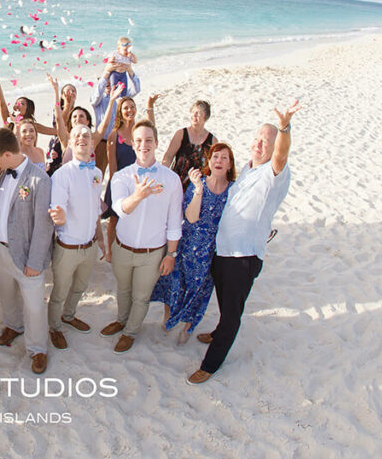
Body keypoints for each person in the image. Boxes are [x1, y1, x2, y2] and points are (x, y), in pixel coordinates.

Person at [188, 101, 300, 385]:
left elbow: (281, 154)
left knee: (232, 314)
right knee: (224, 302)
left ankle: (210, 364)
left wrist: (284, 128)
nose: (259, 144)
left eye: (266, 141)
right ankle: (217, 333)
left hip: (244, 257)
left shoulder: (274, 173)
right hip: (223, 251)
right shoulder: (248, 169)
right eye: (257, 139)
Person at [99, 120, 182, 353]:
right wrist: (138, 196)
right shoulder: (122, 177)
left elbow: (174, 222)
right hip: (122, 248)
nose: (143, 145)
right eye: (139, 141)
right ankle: (121, 320)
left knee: (141, 297)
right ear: (132, 144)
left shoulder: (171, 179)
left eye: (148, 140)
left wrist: (171, 254)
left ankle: (130, 332)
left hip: (152, 254)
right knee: (123, 290)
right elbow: (120, 209)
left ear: (156, 143)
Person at [0, 128, 53, 374]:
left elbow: (44, 225)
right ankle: (14, 325)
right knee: (6, 294)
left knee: (34, 305)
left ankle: (38, 348)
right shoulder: (1, 174)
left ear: (7, 155)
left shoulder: (40, 180)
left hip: (26, 254)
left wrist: (35, 261)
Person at [151, 143, 235, 344]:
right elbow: (190, 217)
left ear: (230, 165)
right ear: (209, 161)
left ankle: (188, 326)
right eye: (215, 157)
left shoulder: (234, 190)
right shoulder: (199, 184)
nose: (219, 161)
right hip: (188, 244)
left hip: (213, 250)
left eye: (224, 158)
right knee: (175, 283)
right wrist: (198, 190)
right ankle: (168, 316)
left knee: (200, 290)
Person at [46, 125, 108, 350]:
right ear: (71, 143)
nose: (82, 138)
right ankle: (54, 327)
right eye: (77, 136)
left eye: (87, 136)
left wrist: (100, 238)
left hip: (89, 246)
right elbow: (57, 208)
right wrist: (59, 216)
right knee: (59, 291)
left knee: (80, 286)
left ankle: (69, 315)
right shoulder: (62, 174)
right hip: (68, 247)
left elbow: (95, 209)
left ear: (92, 143)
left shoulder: (97, 173)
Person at [102, 94, 158, 261]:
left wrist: (150, 106)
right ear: (120, 111)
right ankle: (111, 252)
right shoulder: (114, 135)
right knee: (114, 219)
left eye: (132, 107)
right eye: (126, 108)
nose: (130, 110)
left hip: (139, 182)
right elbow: (112, 165)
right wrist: (114, 186)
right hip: (120, 182)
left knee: (136, 216)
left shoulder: (139, 132)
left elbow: (152, 129)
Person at [88, 64, 142, 168]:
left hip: (119, 141)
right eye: (105, 80)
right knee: (98, 172)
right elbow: (97, 95)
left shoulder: (122, 96)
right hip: (102, 142)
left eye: (110, 78)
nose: (108, 81)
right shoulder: (97, 98)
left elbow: (137, 89)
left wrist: (129, 70)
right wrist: (106, 73)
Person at [0, 67, 56, 138]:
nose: (18, 105)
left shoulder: (32, 126)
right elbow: (2, 104)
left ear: (28, 109)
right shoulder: (8, 121)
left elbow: (55, 131)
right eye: (16, 103)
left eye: (22, 104)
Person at [161, 100, 217, 188]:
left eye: (198, 113)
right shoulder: (181, 134)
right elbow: (168, 156)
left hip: (199, 187)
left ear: (205, 117)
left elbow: (214, 166)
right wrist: (162, 175)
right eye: (193, 112)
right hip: (177, 184)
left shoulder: (212, 140)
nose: (194, 115)